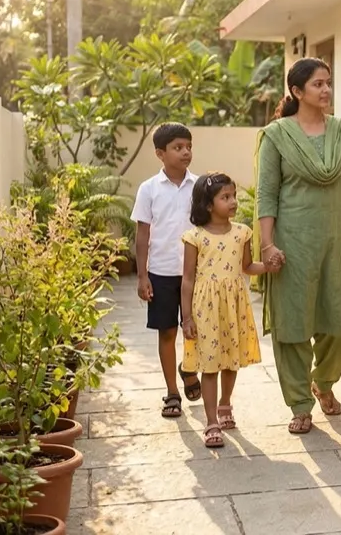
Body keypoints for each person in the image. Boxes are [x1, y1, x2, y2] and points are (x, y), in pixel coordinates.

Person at [256, 57, 341, 435]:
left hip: (337, 239)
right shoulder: (276, 135)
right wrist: (267, 245)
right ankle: (299, 403)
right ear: (297, 91)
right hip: (292, 241)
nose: (326, 90)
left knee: (337, 320)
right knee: (293, 323)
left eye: (328, 83)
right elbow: (267, 194)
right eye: (318, 84)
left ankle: (323, 383)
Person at [180, 172, 272, 448]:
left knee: (231, 359)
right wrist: (186, 317)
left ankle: (225, 405)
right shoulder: (194, 237)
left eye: (234, 196)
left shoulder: (242, 232)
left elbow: (247, 266)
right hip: (206, 307)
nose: (233, 201)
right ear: (208, 204)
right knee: (210, 364)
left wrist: (269, 266)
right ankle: (211, 422)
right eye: (225, 197)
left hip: (234, 305)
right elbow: (187, 279)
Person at [131, 122, 204, 418]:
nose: (186, 152)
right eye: (178, 147)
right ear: (160, 153)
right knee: (166, 332)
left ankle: (189, 368)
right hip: (161, 273)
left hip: (195, 273)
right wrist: (142, 275)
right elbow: (143, 234)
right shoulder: (148, 189)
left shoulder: (200, 187)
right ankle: (172, 392)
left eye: (188, 146)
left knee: (194, 331)